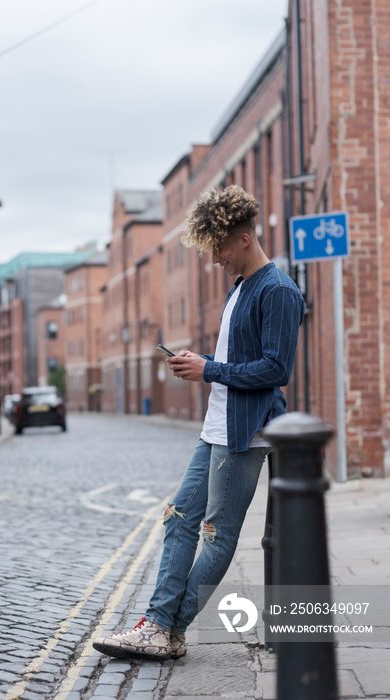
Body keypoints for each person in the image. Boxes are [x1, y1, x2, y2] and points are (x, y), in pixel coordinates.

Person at [93, 185, 305, 661]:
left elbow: (275, 370)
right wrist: (202, 361)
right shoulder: (241, 288)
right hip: (216, 427)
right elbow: (239, 360)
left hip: (243, 433)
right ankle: (157, 624)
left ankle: (169, 626)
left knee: (216, 535)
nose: (214, 258)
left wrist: (209, 370)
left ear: (245, 239)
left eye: (220, 247)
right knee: (179, 517)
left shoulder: (278, 291)